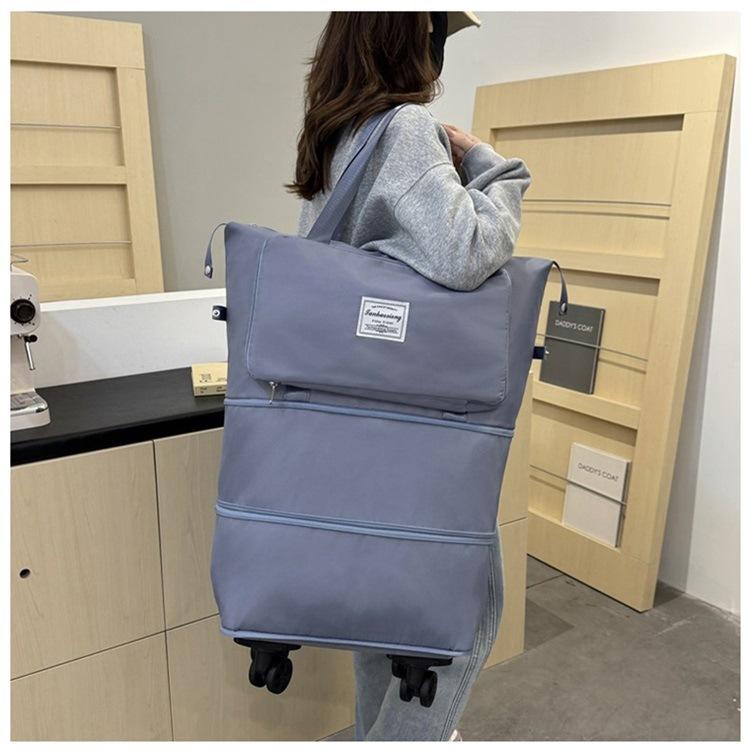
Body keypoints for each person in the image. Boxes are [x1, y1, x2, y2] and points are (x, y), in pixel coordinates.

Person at [289, 11, 531, 742]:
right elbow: (468, 252)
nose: (439, 52)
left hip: (350, 422)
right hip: (417, 426)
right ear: (411, 36)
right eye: (438, 33)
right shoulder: (403, 130)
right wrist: (492, 165)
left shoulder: (335, 137)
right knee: (464, 609)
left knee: (386, 610)